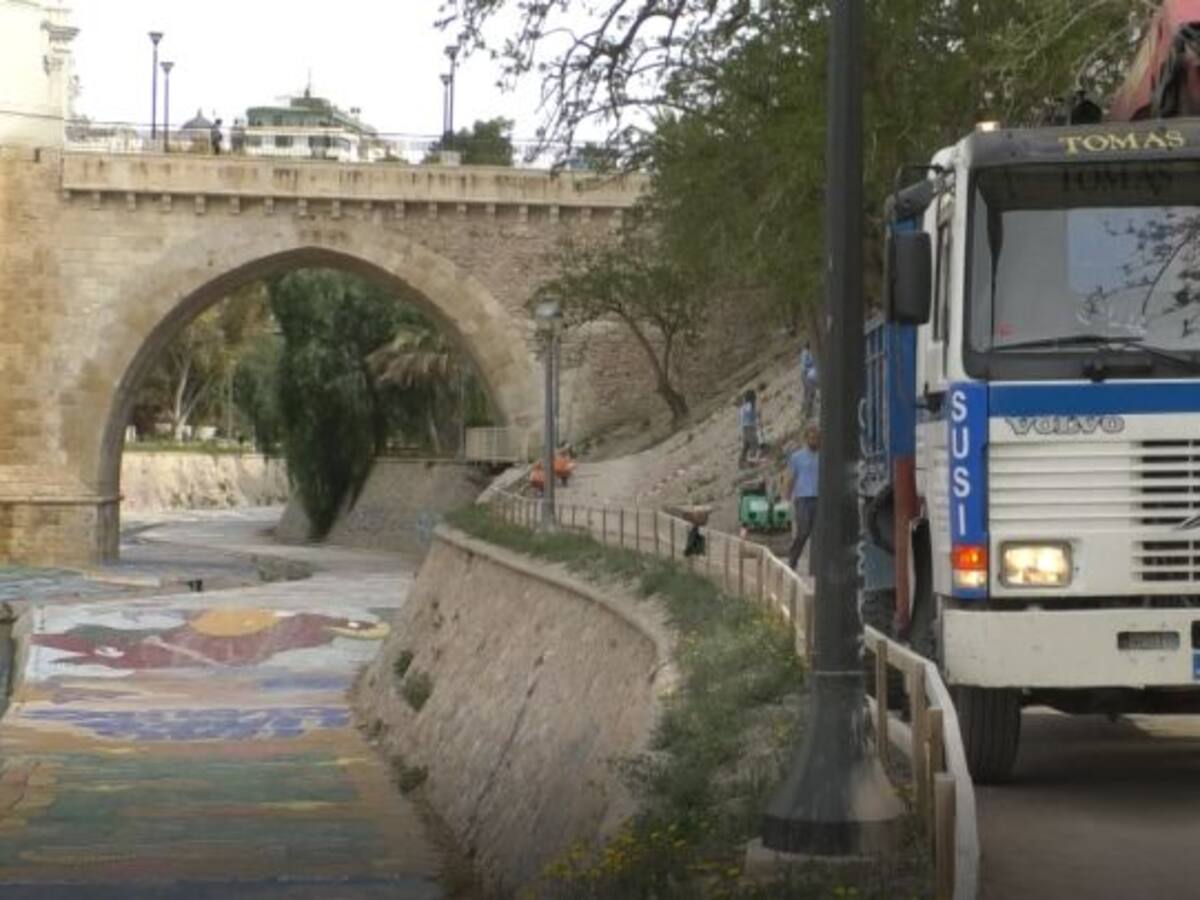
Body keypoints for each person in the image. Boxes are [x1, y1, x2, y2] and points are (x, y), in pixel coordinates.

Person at [784, 424, 820, 573]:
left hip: (819, 498)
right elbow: (791, 478)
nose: (814, 441)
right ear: (806, 439)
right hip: (803, 499)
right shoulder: (797, 457)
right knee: (803, 532)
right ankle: (792, 560)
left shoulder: (824, 456)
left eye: (817, 438)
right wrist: (786, 497)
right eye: (811, 438)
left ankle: (816, 568)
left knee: (818, 534)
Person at [738, 389, 759, 466]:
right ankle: (752, 460)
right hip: (749, 427)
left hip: (744, 427)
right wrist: (756, 414)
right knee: (754, 443)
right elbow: (750, 414)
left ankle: (741, 460)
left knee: (746, 445)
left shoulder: (743, 406)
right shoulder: (749, 406)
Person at [800, 342, 820, 421]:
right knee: (810, 394)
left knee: (807, 394)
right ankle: (808, 413)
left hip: (808, 375)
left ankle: (804, 410)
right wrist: (809, 371)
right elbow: (803, 367)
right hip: (807, 376)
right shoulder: (806, 353)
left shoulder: (810, 353)